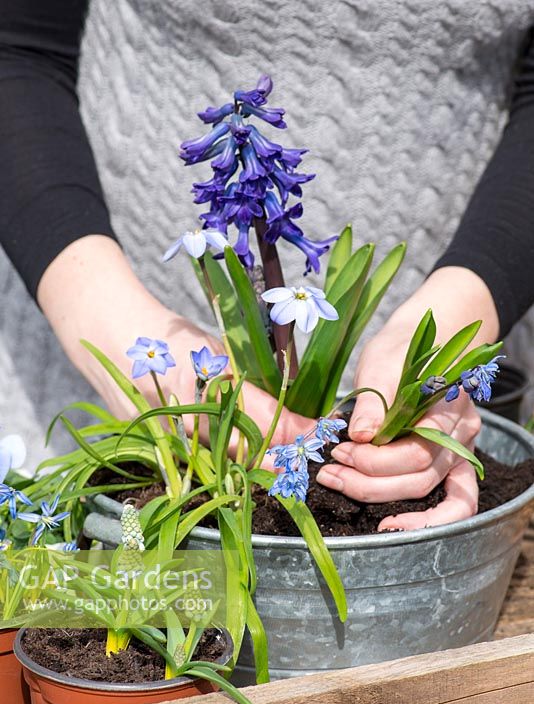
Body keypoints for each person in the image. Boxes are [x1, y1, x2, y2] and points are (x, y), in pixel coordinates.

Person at [0, 1, 533, 530]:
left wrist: (451, 330)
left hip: (472, 290)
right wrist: (115, 327)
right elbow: (16, 49)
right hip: (93, 323)